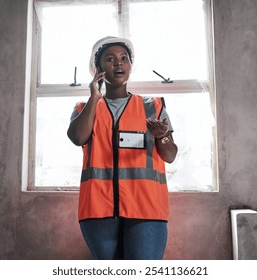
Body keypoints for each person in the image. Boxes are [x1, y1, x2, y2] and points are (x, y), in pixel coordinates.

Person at [67, 36, 178, 260]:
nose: (119, 63)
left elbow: (170, 155)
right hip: (98, 210)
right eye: (110, 59)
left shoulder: (152, 106)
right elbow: (78, 138)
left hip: (147, 208)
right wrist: (94, 98)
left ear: (130, 66)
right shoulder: (84, 108)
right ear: (98, 69)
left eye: (124, 58)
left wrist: (162, 136)